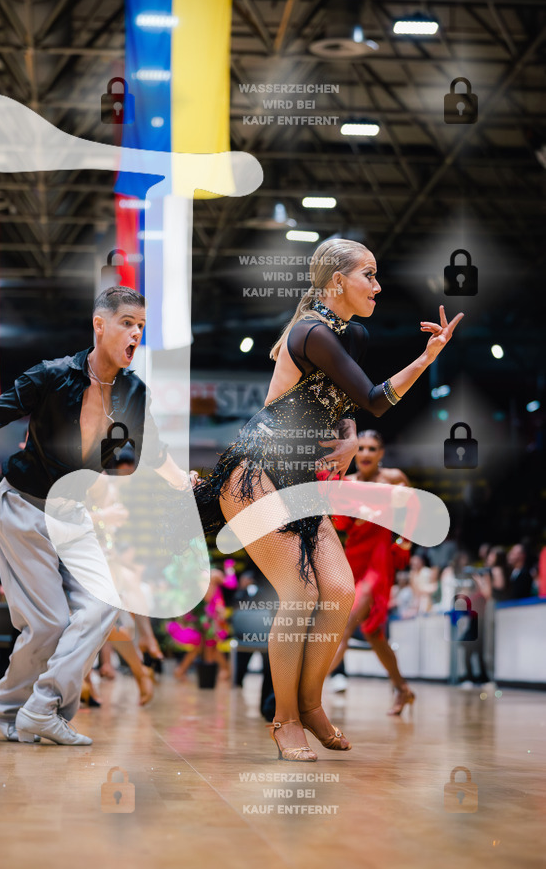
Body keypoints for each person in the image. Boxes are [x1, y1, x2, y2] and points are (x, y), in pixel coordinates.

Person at [0, 286, 196, 745]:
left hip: (74, 515)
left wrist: (180, 480)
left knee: (105, 604)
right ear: (99, 325)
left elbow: (154, 453)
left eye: (141, 326)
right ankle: (9, 707)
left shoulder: (133, 392)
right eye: (128, 322)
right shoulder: (51, 376)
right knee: (48, 623)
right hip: (22, 507)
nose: (136, 333)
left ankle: (41, 708)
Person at [194, 238, 462, 761]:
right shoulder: (311, 332)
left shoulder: (350, 333)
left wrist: (346, 435)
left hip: (301, 480)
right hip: (255, 474)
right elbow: (375, 397)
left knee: (338, 591)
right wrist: (428, 358)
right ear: (337, 281)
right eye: (369, 275)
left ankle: (312, 707)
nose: (378, 286)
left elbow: (346, 402)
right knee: (300, 593)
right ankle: (285, 719)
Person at [329, 430, 417, 715]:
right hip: (352, 559)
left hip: (379, 562)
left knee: (343, 627)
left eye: (372, 448)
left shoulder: (393, 479)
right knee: (374, 634)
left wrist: (404, 541)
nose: (365, 453)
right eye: (362, 448)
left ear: (381, 453)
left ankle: (305, 699)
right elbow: (342, 526)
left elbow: (416, 509)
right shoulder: (346, 483)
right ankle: (402, 689)